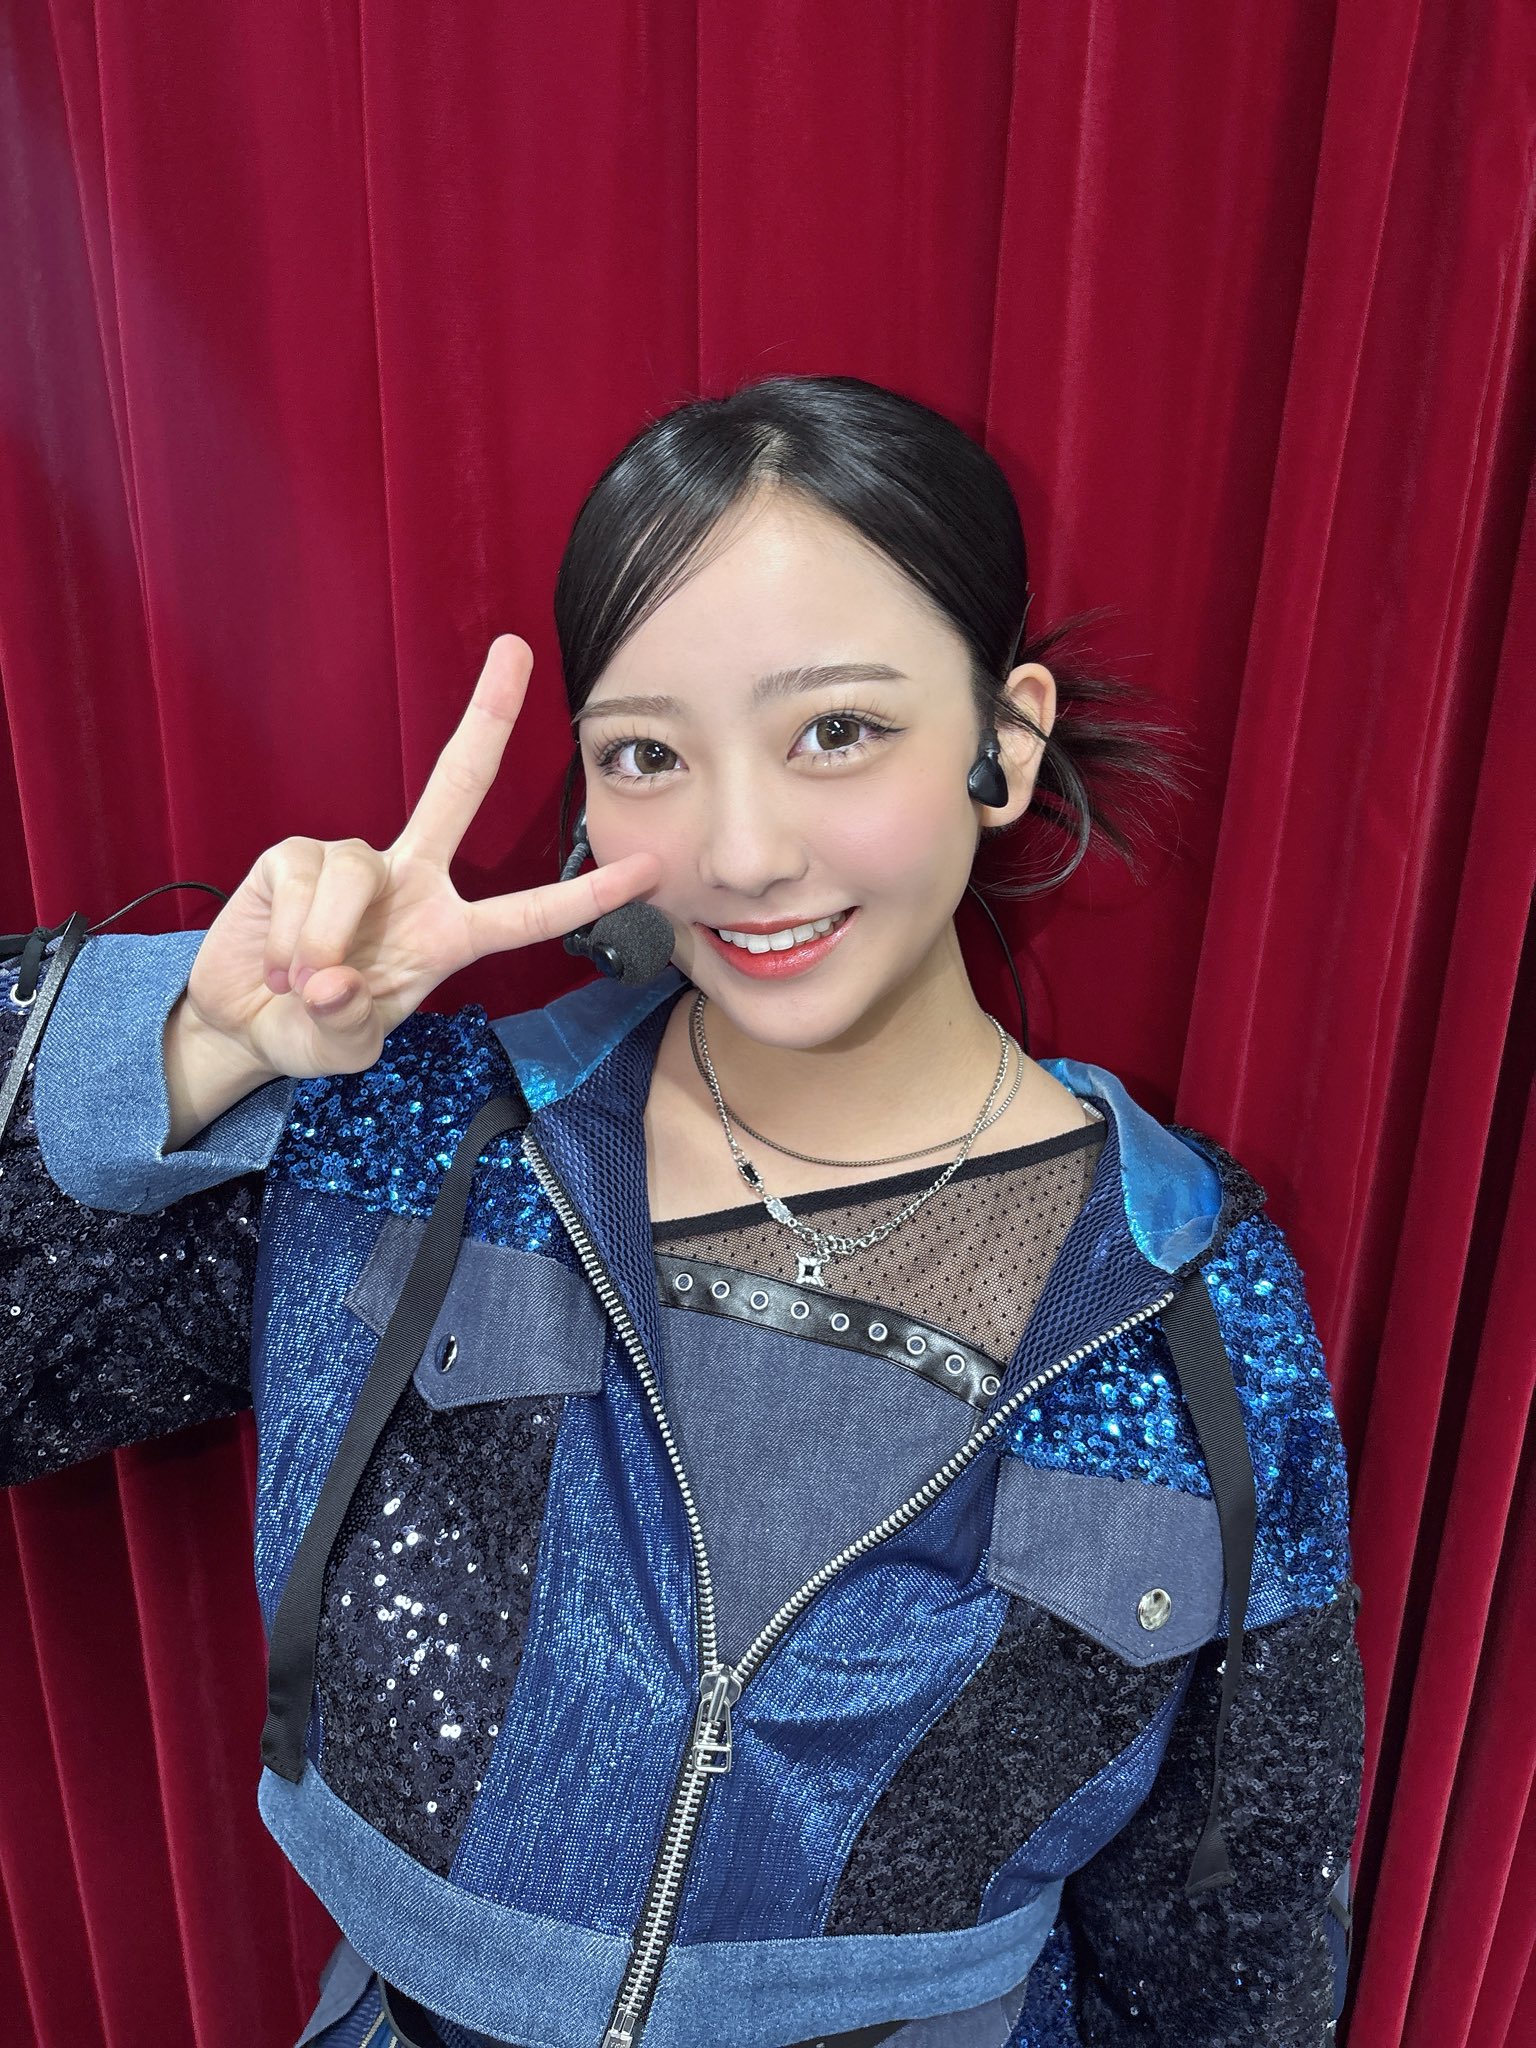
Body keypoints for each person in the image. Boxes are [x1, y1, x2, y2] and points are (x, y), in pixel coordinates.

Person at [1, 375, 1364, 2047]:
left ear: (1003, 742)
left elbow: (1234, 1932)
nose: (742, 849)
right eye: (650, 754)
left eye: (837, 732)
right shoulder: (413, 1144)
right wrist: (199, 1045)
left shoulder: (1192, 1301)